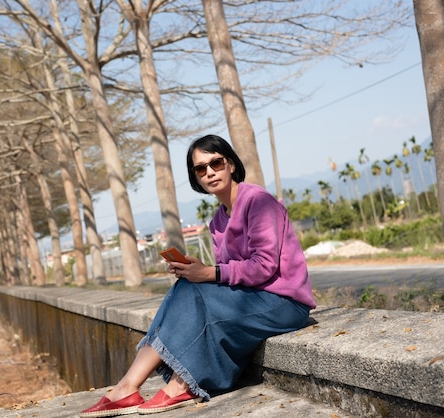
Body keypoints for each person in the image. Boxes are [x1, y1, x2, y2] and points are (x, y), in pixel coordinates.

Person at [80, 134, 316, 417]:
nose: (210, 172)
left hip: (284, 302)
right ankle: (127, 387)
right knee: (186, 286)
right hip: (253, 300)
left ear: (230, 164)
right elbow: (227, 276)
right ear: (196, 177)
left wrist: (209, 273)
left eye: (216, 163)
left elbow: (264, 266)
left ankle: (176, 386)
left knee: (195, 289)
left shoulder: (258, 202)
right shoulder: (217, 220)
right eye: (201, 168)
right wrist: (197, 270)